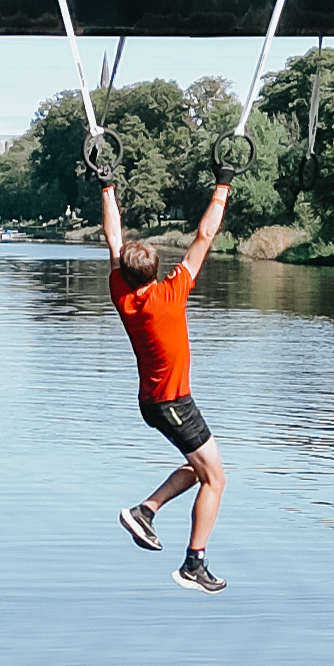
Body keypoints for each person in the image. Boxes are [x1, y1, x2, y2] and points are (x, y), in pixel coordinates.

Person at [101, 170, 234, 594]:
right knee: (216, 478)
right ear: (155, 272)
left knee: (199, 470)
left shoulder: (121, 291)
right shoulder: (170, 294)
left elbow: (112, 237)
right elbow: (205, 234)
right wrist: (223, 185)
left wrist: (106, 186)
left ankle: (146, 511)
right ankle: (194, 564)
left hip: (156, 402)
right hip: (172, 401)